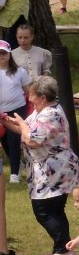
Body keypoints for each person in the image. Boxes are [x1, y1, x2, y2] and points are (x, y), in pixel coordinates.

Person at [7, 75, 79, 255]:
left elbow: (32, 139)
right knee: (55, 210)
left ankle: (64, 250)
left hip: (54, 171)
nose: (29, 98)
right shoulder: (41, 111)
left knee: (43, 211)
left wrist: (21, 123)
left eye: (32, 95)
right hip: (52, 170)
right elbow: (27, 130)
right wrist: (7, 121)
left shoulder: (51, 114)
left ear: (42, 97)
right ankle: (63, 248)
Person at [0, 40, 26, 182]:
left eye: (4, 52)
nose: (1, 55)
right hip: (0, 112)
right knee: (4, 141)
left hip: (16, 108)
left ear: (9, 54)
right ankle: (19, 164)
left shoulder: (20, 72)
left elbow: (28, 91)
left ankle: (14, 174)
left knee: (13, 139)